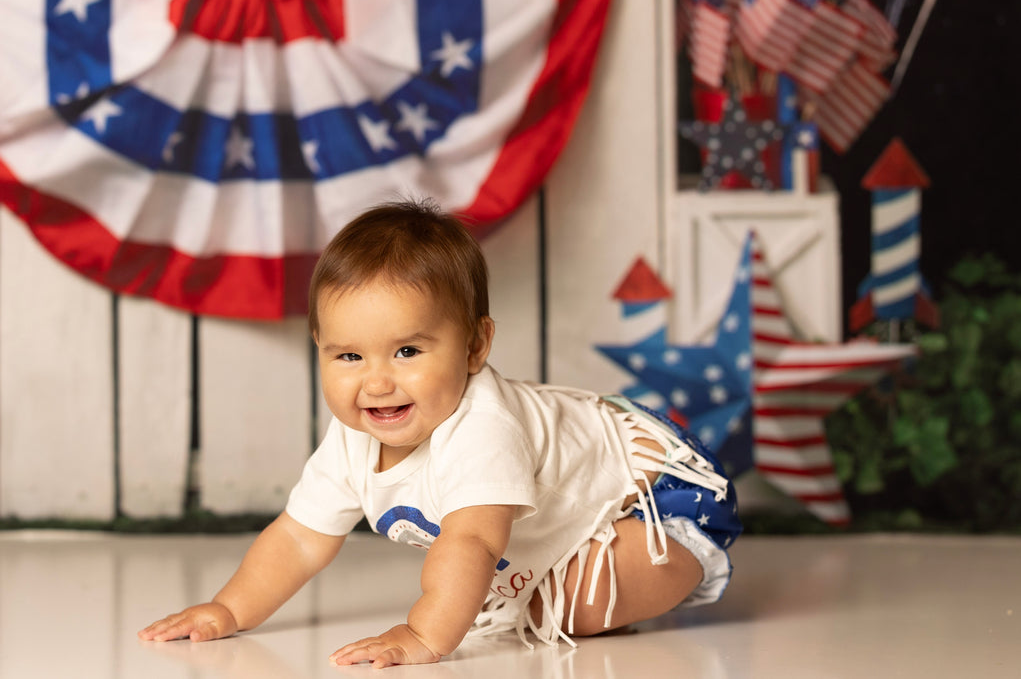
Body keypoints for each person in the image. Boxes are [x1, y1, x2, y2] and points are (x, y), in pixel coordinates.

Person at [138, 199, 740, 667]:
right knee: (521, 600)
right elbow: (298, 538)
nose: (376, 383)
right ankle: (597, 575)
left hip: (659, 495)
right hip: (613, 504)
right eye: (348, 357)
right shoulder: (354, 437)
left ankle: (649, 572)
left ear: (476, 345)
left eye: (406, 350)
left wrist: (423, 634)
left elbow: (473, 542)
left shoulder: (482, 425)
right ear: (318, 350)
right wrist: (227, 609)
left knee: (558, 607)